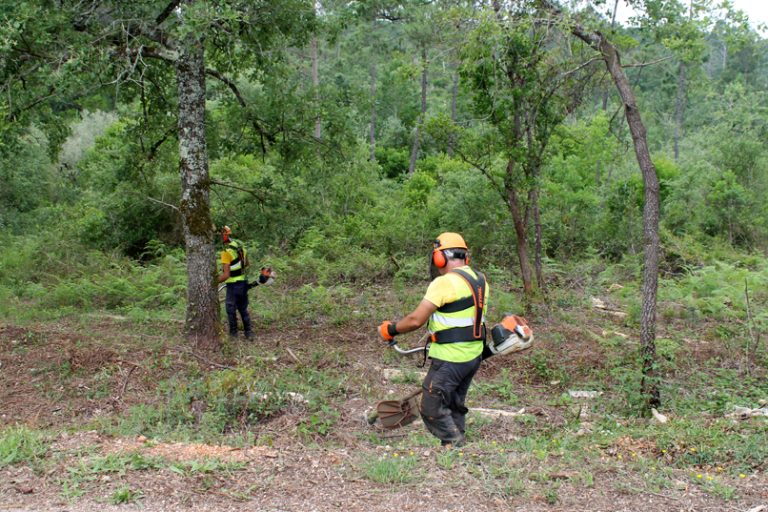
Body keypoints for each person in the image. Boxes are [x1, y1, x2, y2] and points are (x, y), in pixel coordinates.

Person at [378, 232, 489, 448]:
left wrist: (390, 330)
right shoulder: (480, 279)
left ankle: (454, 443)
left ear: (440, 257)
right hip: (473, 355)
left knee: (431, 406)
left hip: (451, 357)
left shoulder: (445, 283)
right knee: (454, 402)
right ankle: (455, 445)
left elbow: (415, 320)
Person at [218, 225, 253, 340]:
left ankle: (233, 334)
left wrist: (213, 282)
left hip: (233, 286)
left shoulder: (226, 253)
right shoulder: (242, 249)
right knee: (243, 308)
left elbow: (226, 275)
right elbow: (247, 264)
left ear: (224, 236)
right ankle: (249, 333)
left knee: (230, 309)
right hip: (243, 283)